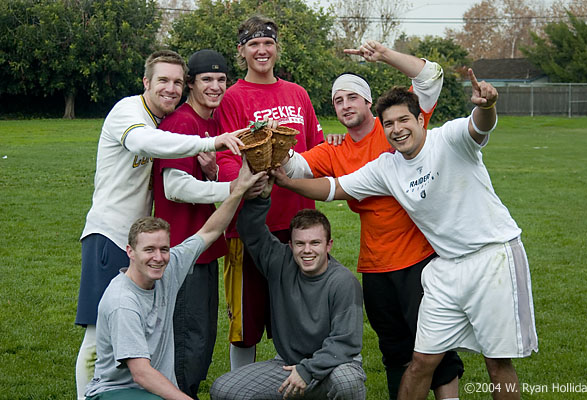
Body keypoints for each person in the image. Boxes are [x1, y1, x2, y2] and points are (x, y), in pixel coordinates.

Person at [274, 70, 538, 400]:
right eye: (390, 125)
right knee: (420, 360)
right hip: (444, 268)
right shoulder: (388, 167)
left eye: (404, 121)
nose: (398, 129)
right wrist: (286, 182)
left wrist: (488, 106)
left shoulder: (449, 138)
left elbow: (479, 126)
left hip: (492, 256)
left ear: (421, 120)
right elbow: (335, 188)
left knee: (497, 363)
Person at [282, 40, 463, 400]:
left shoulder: (396, 126)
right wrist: (272, 140)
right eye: (338, 100)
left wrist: (385, 56)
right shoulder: (334, 149)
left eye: (352, 97)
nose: (345, 105)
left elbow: (430, 77)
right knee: (394, 348)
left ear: (368, 103)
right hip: (376, 264)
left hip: (421, 255)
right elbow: (294, 166)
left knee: (432, 340)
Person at [75, 49, 245, 399]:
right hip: (109, 234)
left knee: (138, 328)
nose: (171, 88)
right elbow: (145, 144)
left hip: (136, 241)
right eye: (163, 80)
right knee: (97, 337)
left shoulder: (160, 120)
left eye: (177, 82)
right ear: (145, 82)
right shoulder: (129, 112)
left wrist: (207, 164)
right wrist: (209, 142)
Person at [84, 159, 267, 400]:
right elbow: (140, 373)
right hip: (116, 392)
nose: (158, 258)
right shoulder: (122, 301)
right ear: (130, 252)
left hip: (151, 389)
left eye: (164, 249)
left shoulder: (169, 268)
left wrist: (239, 189)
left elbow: (210, 231)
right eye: (149, 250)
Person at [212, 14, 324, 370]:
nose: (262, 50)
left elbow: (317, 151)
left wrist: (292, 165)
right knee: (246, 324)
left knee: (293, 316)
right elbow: (227, 158)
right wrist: (250, 182)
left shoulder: (297, 94)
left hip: (297, 225)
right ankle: (240, 389)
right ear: (241, 51)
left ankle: (290, 387)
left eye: (268, 43)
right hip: (251, 228)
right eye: (254, 44)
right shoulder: (231, 98)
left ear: (277, 48)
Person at [210, 181, 366, 400]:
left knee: (348, 382)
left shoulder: (343, 282)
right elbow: (250, 231)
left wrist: (307, 370)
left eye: (315, 243)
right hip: (287, 365)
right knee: (224, 389)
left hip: (334, 365)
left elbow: (345, 342)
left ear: (328, 245)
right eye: (300, 244)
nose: (307, 250)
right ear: (290, 245)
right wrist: (261, 198)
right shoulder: (280, 262)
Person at [152, 49, 242, 398]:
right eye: (207, 79)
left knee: (201, 339)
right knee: (189, 342)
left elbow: (206, 180)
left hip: (202, 247)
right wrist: (231, 187)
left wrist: (214, 176)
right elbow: (173, 187)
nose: (216, 86)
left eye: (221, 80)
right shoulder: (183, 122)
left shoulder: (214, 123)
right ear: (191, 83)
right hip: (181, 248)